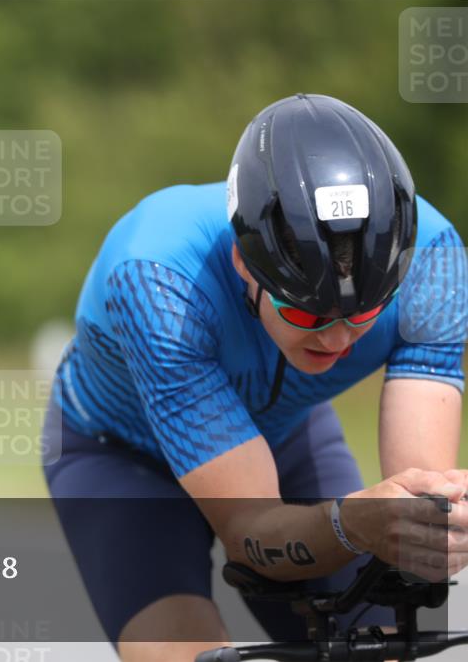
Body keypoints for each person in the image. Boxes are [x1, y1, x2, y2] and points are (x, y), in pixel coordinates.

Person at [42, 94, 468, 662]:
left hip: (286, 435)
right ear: (244, 263)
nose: (337, 340)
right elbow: (252, 529)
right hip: (123, 458)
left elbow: (421, 499)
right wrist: (352, 525)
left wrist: (436, 524)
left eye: (365, 312)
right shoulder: (157, 277)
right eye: (308, 314)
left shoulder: (434, 260)